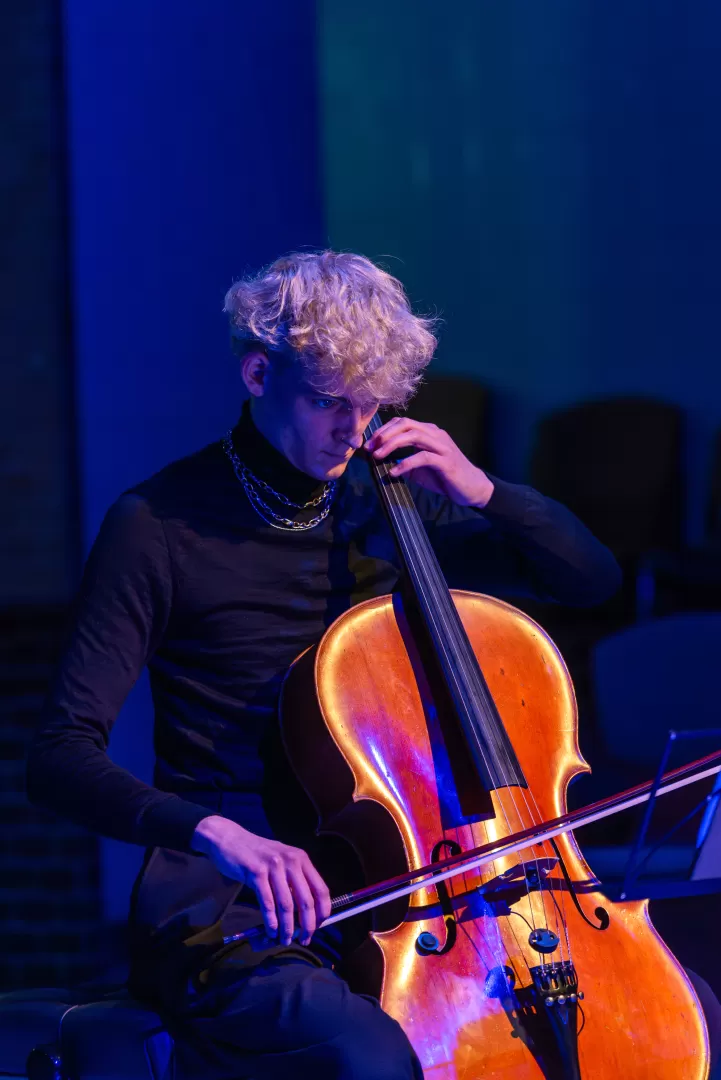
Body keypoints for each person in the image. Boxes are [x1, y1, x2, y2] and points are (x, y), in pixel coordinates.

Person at [27, 250, 628, 1079]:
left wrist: (483, 490)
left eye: (373, 405)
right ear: (256, 371)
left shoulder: (389, 498)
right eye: (328, 403)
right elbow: (59, 754)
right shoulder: (157, 525)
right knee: (374, 1058)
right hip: (233, 903)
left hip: (405, 882)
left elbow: (593, 580)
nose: (353, 430)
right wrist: (214, 833)